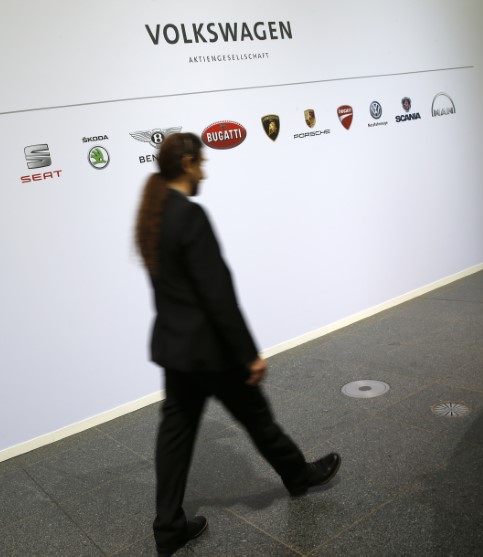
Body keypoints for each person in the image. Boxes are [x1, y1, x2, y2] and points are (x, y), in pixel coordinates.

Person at [134, 132, 341, 556]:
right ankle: (298, 475)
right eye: (202, 163)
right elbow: (217, 293)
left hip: (177, 350)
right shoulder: (190, 215)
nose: (204, 171)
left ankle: (168, 527)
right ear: (188, 163)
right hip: (211, 351)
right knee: (257, 418)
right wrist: (249, 353)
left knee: (174, 437)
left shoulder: (154, 217)